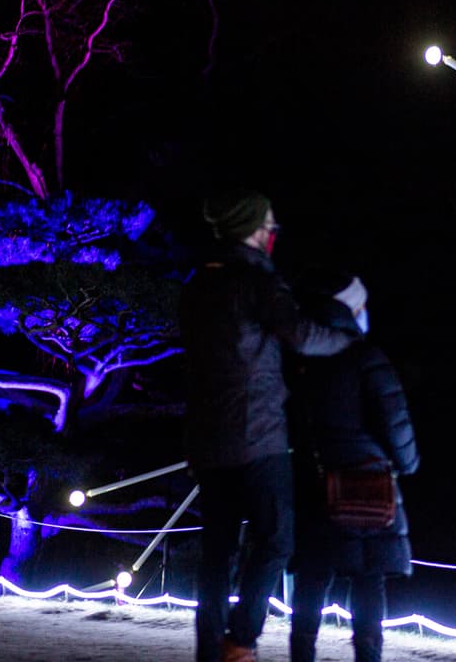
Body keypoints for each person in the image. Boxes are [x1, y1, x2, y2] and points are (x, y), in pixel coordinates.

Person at [179, 189, 360, 662]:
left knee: (216, 552)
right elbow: (301, 334)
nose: (273, 233)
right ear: (252, 229)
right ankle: (240, 641)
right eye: (269, 225)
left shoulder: (197, 284)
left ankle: (209, 650)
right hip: (258, 437)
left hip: (206, 440)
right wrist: (347, 340)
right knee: (276, 540)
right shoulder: (256, 282)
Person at [286, 271, 420, 662]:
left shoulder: (300, 358)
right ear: (350, 311)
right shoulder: (367, 358)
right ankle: (367, 656)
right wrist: (407, 463)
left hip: (313, 484)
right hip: (368, 486)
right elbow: (395, 422)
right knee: (369, 578)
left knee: (312, 577)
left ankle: (302, 654)